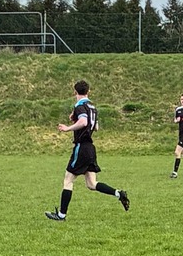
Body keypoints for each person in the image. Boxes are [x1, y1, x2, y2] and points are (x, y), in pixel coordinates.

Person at [46, 80, 130, 221]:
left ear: (75, 92)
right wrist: (76, 121)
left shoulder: (79, 106)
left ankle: (61, 215)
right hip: (90, 148)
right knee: (91, 184)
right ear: (88, 91)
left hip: (82, 147)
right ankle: (119, 194)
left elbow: (84, 122)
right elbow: (95, 127)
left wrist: (68, 127)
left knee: (68, 179)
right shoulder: (92, 107)